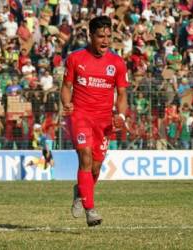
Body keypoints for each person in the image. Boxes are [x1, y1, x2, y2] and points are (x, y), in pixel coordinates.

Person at [60, 16, 128, 227]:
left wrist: (121, 115)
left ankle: (80, 191)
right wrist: (67, 103)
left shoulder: (117, 63)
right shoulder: (75, 59)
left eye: (109, 36)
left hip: (104, 121)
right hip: (80, 116)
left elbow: (123, 94)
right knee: (86, 158)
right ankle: (91, 210)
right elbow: (65, 87)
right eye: (101, 36)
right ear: (91, 36)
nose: (105, 41)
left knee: (96, 168)